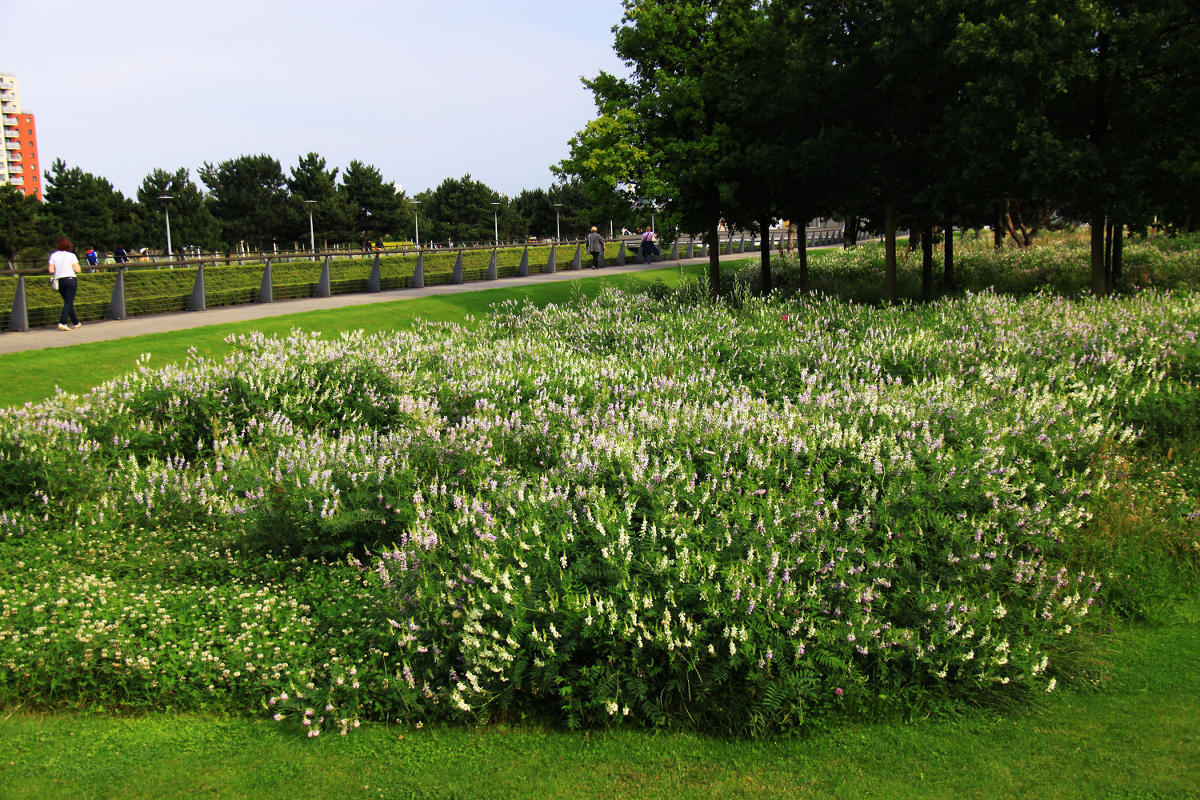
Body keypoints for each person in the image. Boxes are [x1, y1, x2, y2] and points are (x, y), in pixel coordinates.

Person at [48, 237, 83, 331]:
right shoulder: (71, 255)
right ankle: (62, 322)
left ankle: (76, 322)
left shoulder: (53, 255)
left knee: (68, 302)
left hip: (59, 280)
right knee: (69, 302)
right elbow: (78, 270)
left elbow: (51, 270)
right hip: (70, 279)